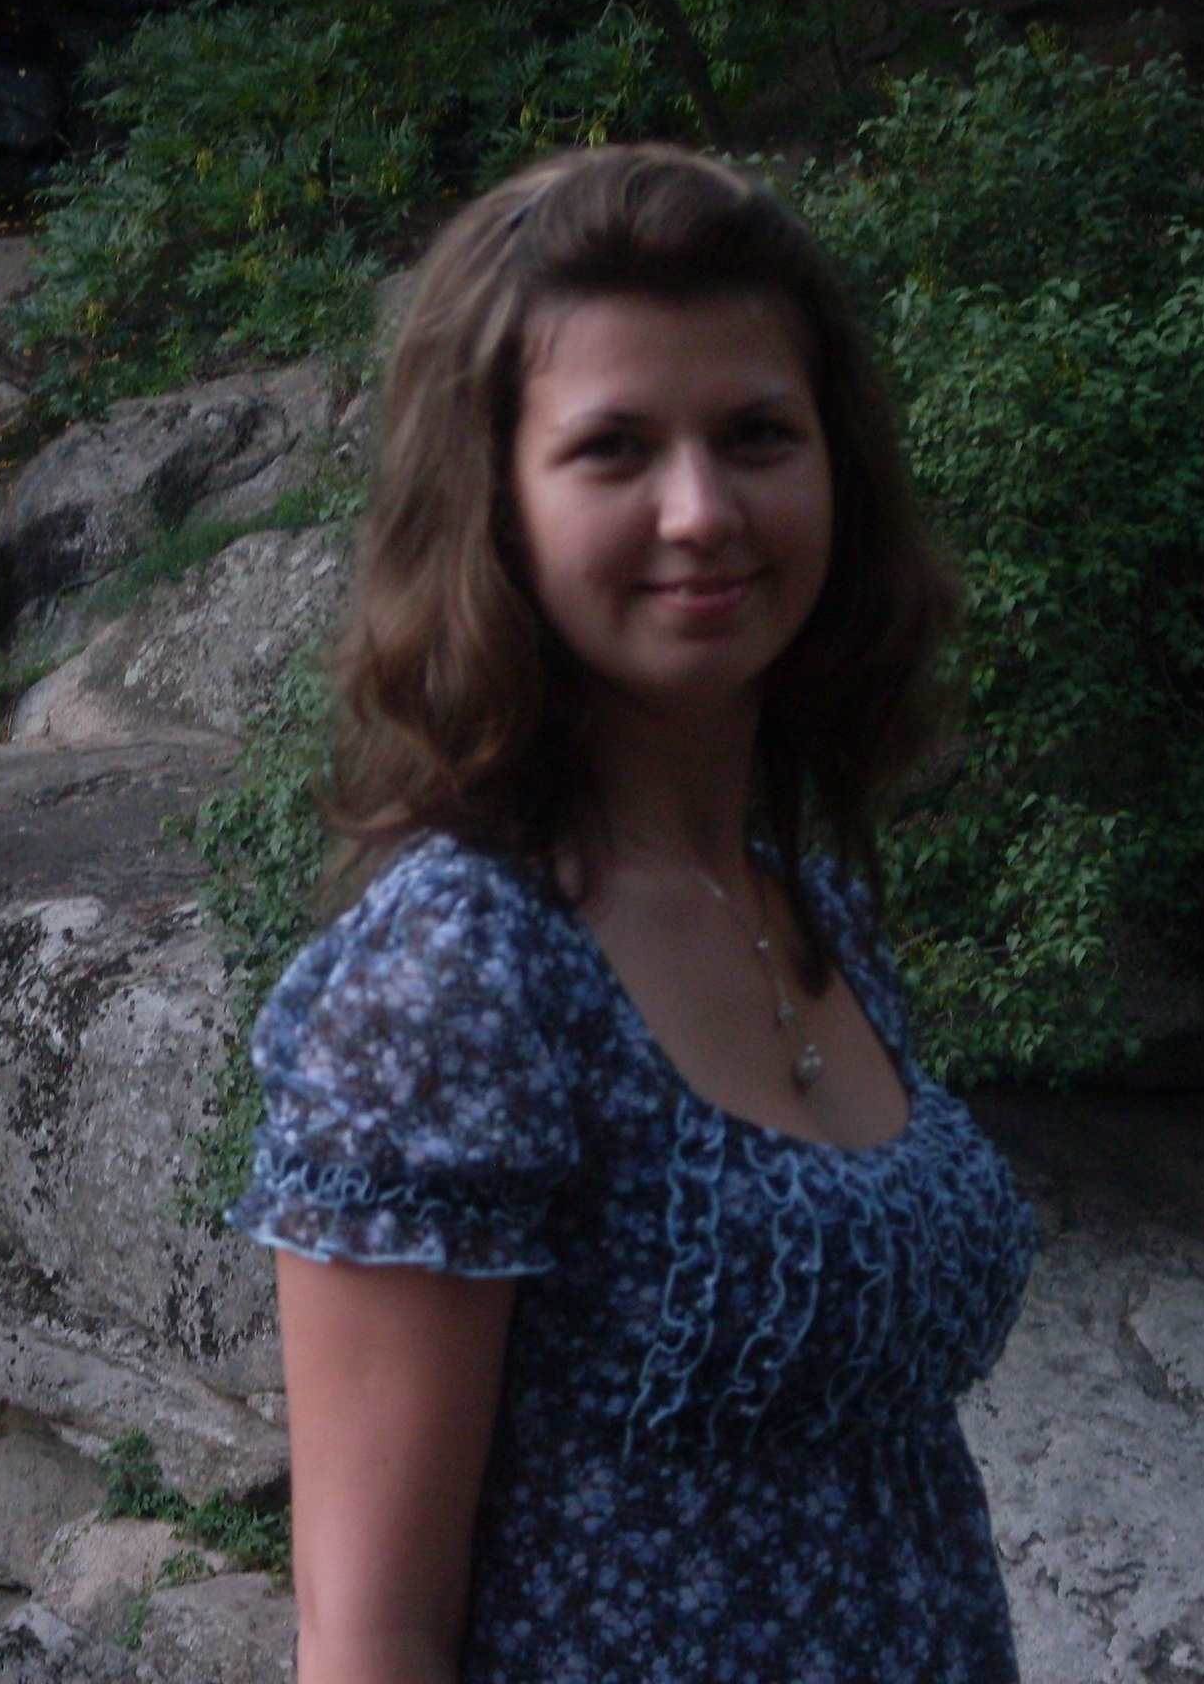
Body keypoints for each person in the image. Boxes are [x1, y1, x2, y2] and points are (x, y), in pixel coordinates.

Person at [223, 144, 1038, 1684]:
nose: (701, 510)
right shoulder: (462, 974)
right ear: (495, 506)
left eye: (757, 435)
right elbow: (371, 1638)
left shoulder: (811, 907)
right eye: (613, 450)